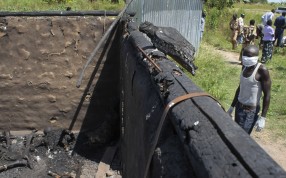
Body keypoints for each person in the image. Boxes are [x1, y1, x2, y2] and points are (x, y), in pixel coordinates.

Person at [227, 45, 271, 134]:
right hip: (239, 107)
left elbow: (267, 94)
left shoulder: (262, 70)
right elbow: (240, 88)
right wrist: (232, 107)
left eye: (249, 56)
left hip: (250, 111)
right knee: (237, 134)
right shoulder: (244, 67)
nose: (246, 58)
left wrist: (263, 118)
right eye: (244, 55)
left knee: (243, 138)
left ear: (256, 57)